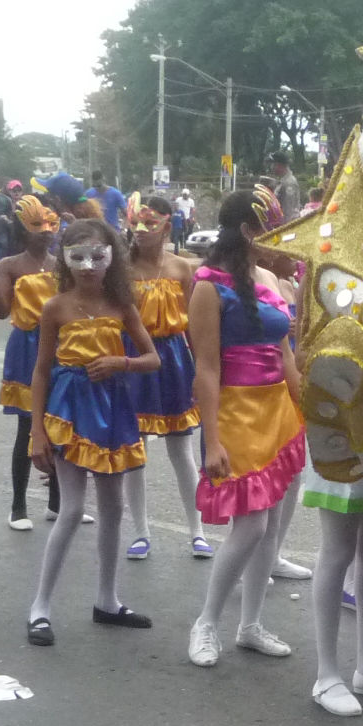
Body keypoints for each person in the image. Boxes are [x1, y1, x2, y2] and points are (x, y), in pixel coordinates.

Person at [187, 189, 314, 672]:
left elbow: (285, 358)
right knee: (251, 526)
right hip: (236, 415)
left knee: (272, 529)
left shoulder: (269, 278)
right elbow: (207, 368)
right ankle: (206, 622)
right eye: (273, 228)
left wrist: (310, 415)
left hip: (279, 416)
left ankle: (251, 625)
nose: (281, 240)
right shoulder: (208, 285)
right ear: (247, 229)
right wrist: (213, 439)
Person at [24, 217, 159, 644]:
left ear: (112, 258)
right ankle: (40, 607)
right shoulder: (55, 307)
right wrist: (37, 433)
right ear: (64, 259)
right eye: (76, 257)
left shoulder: (123, 304)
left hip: (113, 409)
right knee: (70, 508)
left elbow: (153, 358)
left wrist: (123, 362)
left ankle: (107, 600)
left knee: (114, 508)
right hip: (69, 409)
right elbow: (41, 372)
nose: (87, 266)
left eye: (96, 257)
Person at [122, 194, 209, 559]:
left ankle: (197, 530)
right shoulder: (122, 270)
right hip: (134, 358)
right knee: (133, 448)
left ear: (168, 226)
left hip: (173, 360)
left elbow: (194, 326)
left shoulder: (181, 269)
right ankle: (141, 531)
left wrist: (201, 370)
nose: (142, 232)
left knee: (181, 448)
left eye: (151, 224)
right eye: (137, 224)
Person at [0, 194, 63, 529]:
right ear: (23, 228)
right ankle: (18, 505)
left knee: (62, 421)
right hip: (26, 346)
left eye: (51, 224)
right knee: (27, 426)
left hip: (62, 344)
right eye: (37, 225)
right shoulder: (10, 265)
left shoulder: (61, 263)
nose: (46, 231)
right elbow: (2, 310)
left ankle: (58, 502)